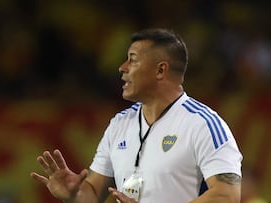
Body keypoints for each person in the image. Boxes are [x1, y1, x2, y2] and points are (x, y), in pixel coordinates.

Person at [30, 28, 243, 203]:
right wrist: (75, 195)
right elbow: (93, 194)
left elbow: (227, 195)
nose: (122, 68)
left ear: (160, 70)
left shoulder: (203, 124)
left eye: (132, 60)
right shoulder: (119, 124)